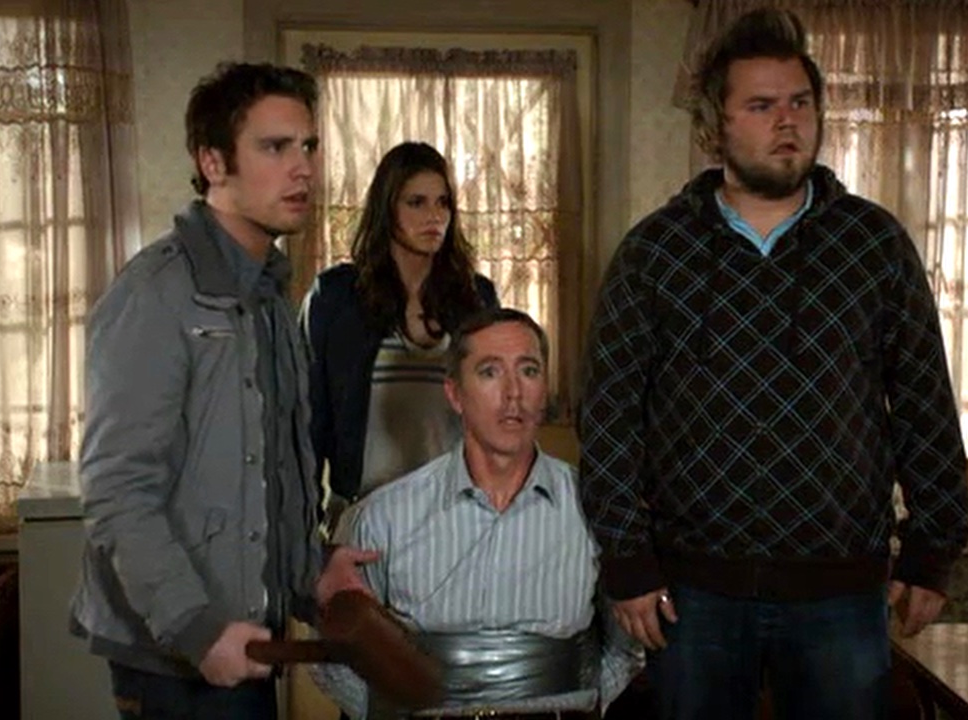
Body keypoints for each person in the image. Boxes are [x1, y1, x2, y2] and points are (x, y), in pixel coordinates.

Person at [578, 9, 968, 720]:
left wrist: (932, 548)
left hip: (840, 588)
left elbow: (924, 402)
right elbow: (609, 418)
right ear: (715, 126)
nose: (786, 121)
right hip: (693, 590)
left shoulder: (873, 244)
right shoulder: (654, 252)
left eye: (800, 103)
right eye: (761, 106)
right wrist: (627, 562)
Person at [70, 62, 373, 720]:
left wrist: (311, 569)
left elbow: (266, 476)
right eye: (275, 147)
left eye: (308, 146)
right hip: (178, 654)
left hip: (247, 638)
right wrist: (196, 627)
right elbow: (118, 489)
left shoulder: (269, 295)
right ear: (213, 162)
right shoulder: (156, 294)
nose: (303, 169)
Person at [313, 308, 642, 720]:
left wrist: (577, 708)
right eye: (490, 372)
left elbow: (628, 645)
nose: (513, 393)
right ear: (454, 394)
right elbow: (334, 654)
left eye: (529, 371)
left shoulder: (594, 509)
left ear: (544, 389)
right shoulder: (382, 519)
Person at [302, 141, 499, 528]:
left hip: (454, 515)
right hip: (364, 512)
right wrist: (306, 530)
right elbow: (309, 423)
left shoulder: (475, 298)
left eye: (443, 203)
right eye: (416, 203)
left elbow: (492, 413)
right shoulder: (338, 298)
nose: (434, 216)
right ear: (387, 208)